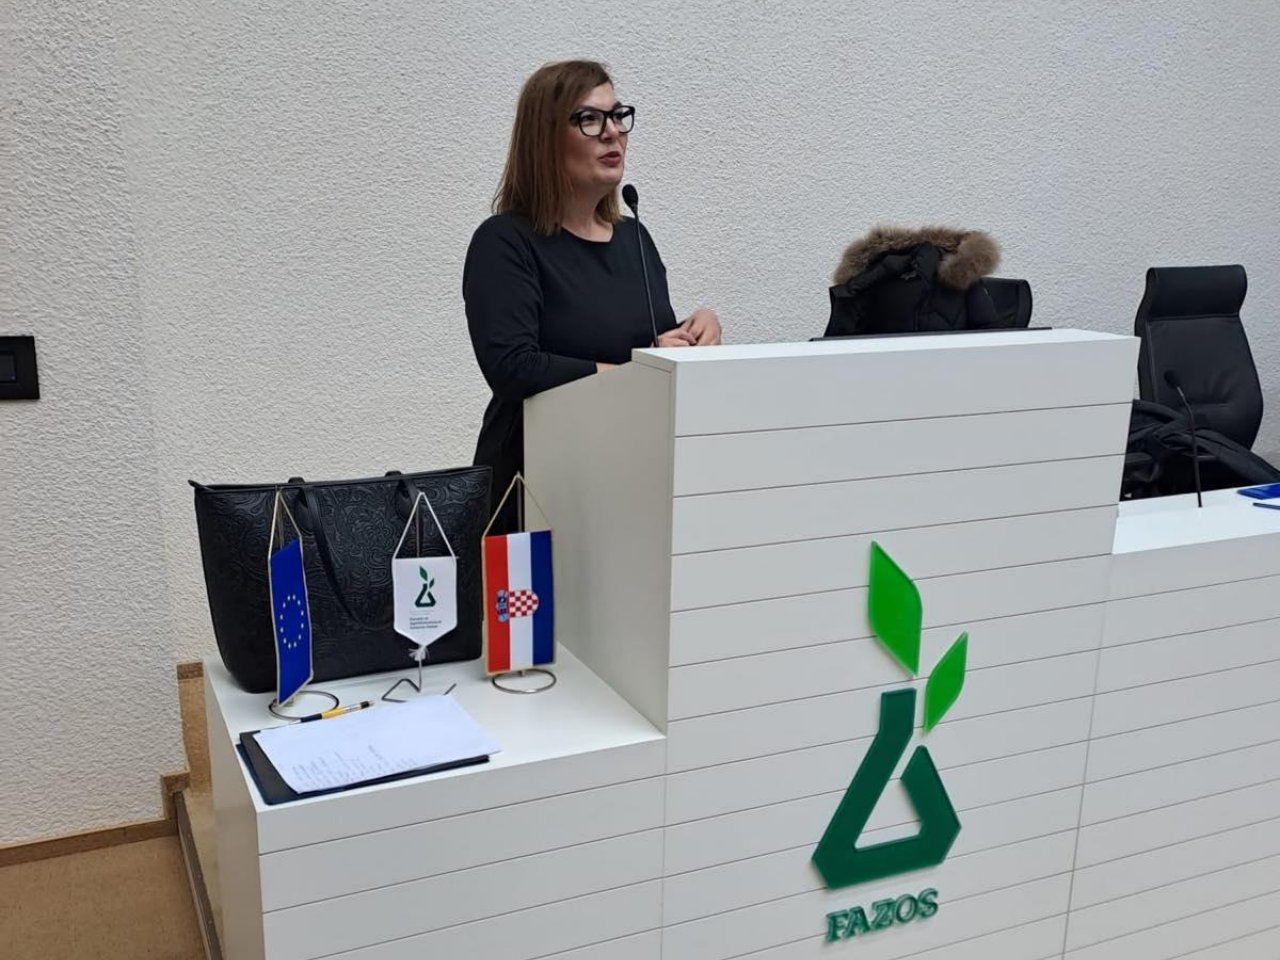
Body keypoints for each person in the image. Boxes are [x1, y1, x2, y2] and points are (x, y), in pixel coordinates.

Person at [464, 59, 721, 531]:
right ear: (544, 138)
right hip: (536, 495)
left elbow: (643, 347)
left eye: (617, 115)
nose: (612, 132)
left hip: (626, 490)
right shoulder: (506, 242)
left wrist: (693, 330)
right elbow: (513, 366)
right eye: (589, 118)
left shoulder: (633, 238)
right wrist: (633, 372)